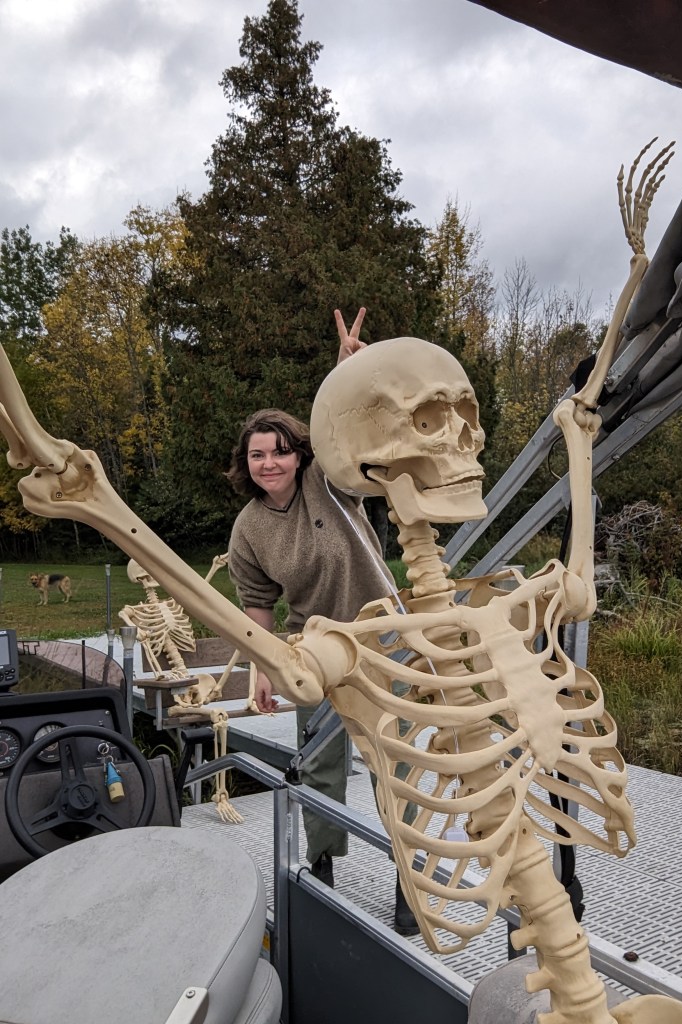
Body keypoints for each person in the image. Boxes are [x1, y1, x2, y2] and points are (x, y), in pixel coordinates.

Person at [226, 308, 418, 935]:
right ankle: (323, 869)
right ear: (246, 464)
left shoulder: (328, 484)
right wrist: (262, 665)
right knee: (319, 763)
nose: (270, 462)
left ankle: (409, 879)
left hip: (383, 635)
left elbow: (344, 437)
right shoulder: (249, 529)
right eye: (258, 455)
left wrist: (348, 370)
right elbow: (257, 604)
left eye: (280, 450)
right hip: (316, 649)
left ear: (296, 454)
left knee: (400, 762)